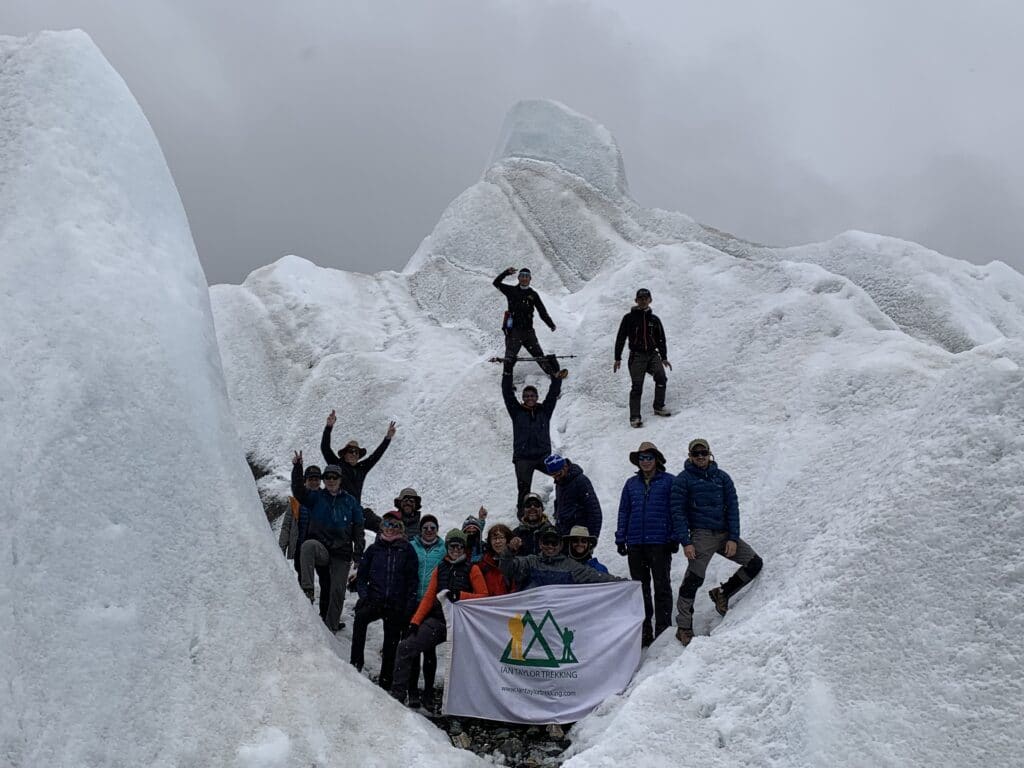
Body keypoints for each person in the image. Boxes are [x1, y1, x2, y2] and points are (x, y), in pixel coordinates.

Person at [671, 438, 763, 646]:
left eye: (703, 453)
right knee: (693, 580)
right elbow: (677, 513)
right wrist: (686, 542)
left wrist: (732, 537)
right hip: (701, 536)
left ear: (709, 453)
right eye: (696, 454)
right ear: (690, 456)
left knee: (754, 562)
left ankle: (723, 593)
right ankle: (684, 627)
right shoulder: (683, 480)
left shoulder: (722, 478)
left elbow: (733, 508)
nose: (701, 457)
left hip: (724, 533)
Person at [389, 529, 489, 706]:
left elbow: (484, 596)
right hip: (439, 621)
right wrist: (415, 621)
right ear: (447, 547)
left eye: (459, 546)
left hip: (463, 624)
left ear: (464, 548)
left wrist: (461, 595)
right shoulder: (440, 568)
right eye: (452, 546)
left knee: (463, 665)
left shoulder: (472, 569)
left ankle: (462, 703)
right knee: (406, 647)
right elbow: (429, 597)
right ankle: (397, 696)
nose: (456, 550)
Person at [290, 454, 365, 633]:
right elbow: (298, 492)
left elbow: (358, 527)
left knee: (338, 591)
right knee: (307, 546)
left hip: (342, 552)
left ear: (340, 480)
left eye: (334, 477)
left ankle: (330, 629)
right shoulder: (316, 497)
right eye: (328, 478)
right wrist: (298, 467)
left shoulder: (350, 501)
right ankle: (307, 591)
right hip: (322, 548)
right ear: (324, 480)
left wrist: (358, 553)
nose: (331, 481)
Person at [350, 513, 420, 692]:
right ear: (382, 526)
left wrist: (409, 605)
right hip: (375, 600)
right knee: (360, 620)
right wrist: (364, 596)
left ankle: (385, 683)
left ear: (401, 528)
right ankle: (355, 665)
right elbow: (362, 577)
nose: (391, 528)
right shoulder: (374, 549)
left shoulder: (407, 550)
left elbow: (413, 581)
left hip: (396, 604)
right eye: (388, 524)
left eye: (395, 525)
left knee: (391, 644)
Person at [615, 441, 676, 646]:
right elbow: (624, 511)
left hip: (660, 542)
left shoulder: (669, 482)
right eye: (642, 458)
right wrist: (621, 537)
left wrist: (674, 536)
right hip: (635, 543)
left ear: (657, 459)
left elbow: (676, 511)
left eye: (649, 457)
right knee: (640, 588)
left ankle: (663, 629)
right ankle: (644, 629)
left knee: (662, 586)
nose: (645, 461)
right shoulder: (631, 484)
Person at [502, 370, 565, 515]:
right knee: (523, 489)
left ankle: (560, 508)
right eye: (526, 396)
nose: (529, 398)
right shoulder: (516, 411)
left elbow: (552, 395)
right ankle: (522, 516)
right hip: (523, 458)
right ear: (523, 398)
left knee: (562, 477)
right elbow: (507, 394)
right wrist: (507, 374)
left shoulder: (544, 411)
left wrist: (556, 380)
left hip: (542, 456)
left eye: (532, 395)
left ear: (537, 397)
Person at [613, 288, 672, 428]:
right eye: (640, 298)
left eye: (646, 298)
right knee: (637, 387)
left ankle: (658, 407)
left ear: (650, 300)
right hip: (636, 356)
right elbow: (621, 338)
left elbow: (661, 339)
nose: (643, 301)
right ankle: (635, 417)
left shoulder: (654, 319)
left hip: (652, 354)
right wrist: (617, 358)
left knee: (661, 378)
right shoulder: (629, 318)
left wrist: (663, 357)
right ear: (636, 300)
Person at [501, 525, 623, 590]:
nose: (550, 546)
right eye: (546, 542)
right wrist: (509, 551)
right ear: (540, 544)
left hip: (560, 619)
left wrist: (624, 584)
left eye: (554, 543)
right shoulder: (530, 561)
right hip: (534, 617)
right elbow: (507, 569)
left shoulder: (571, 566)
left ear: (560, 545)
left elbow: (599, 578)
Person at [407, 514, 445, 710]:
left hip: (433, 604)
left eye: (432, 527)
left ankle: (428, 692)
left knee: (429, 649)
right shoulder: (412, 546)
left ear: (437, 529)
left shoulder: (444, 548)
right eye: (425, 528)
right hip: (413, 601)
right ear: (420, 530)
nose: (429, 531)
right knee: (413, 646)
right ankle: (412, 690)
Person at [493, 266, 560, 377]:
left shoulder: (533, 295)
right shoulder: (511, 291)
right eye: (522, 276)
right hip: (514, 332)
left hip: (529, 332)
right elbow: (496, 283)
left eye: (527, 276)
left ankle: (553, 374)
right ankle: (507, 382)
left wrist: (550, 324)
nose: (524, 278)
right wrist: (505, 273)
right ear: (518, 278)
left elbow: (542, 311)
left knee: (539, 355)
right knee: (509, 358)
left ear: (530, 279)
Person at [320, 409, 396, 504]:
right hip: (337, 509)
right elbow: (325, 448)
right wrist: (329, 427)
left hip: (355, 511)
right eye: (351, 451)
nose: (354, 454)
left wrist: (387, 438)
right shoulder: (336, 465)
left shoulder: (362, 469)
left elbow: (376, 456)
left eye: (356, 452)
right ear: (345, 453)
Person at [545, 454, 603, 540]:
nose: (557, 478)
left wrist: (592, 538)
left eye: (559, 474)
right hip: (564, 535)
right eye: (553, 476)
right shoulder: (560, 483)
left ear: (565, 467)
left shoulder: (581, 481)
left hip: (579, 536)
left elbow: (594, 512)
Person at [479, 524, 515, 595]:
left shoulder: (517, 561)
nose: (497, 541)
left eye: (501, 538)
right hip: (491, 603)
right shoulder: (484, 562)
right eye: (494, 539)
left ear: (508, 540)